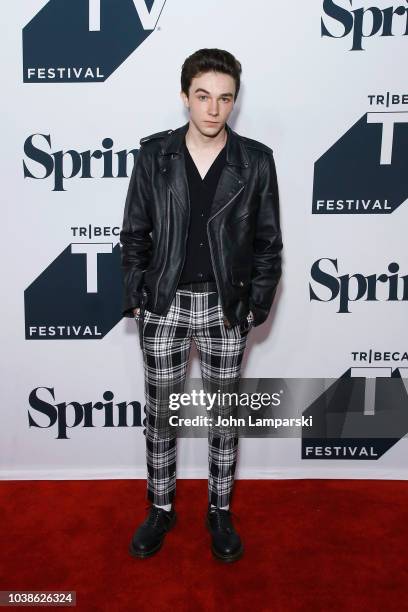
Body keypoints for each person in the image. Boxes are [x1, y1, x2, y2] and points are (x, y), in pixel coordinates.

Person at [119, 48, 282, 562]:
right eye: (203, 96)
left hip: (225, 309)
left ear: (235, 101)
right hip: (165, 304)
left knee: (223, 417)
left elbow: (268, 242)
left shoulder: (255, 161)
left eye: (225, 98)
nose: (214, 109)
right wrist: (140, 297)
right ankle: (161, 508)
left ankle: (219, 509)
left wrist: (254, 305)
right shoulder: (155, 156)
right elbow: (135, 233)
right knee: (162, 416)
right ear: (185, 96)